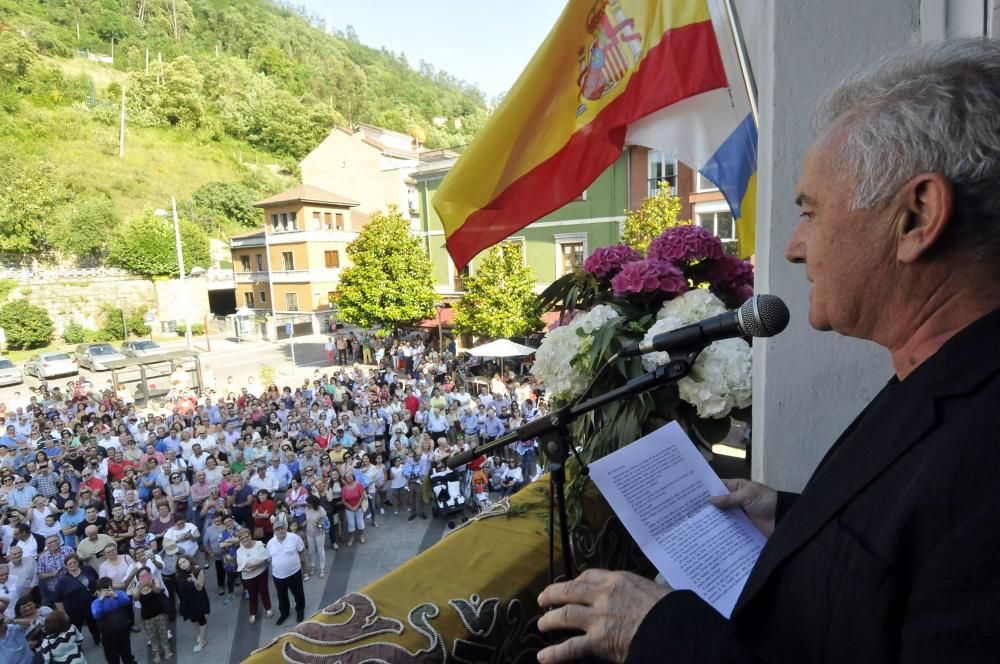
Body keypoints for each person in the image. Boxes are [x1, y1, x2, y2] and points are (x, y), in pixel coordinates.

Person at [535, 39, 1000, 664]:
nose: (793, 247)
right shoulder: (937, 371)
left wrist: (658, 632)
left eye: (811, 212)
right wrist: (791, 516)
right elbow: (906, 547)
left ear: (917, 217)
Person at [265, 515, 306, 626]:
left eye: (282, 528)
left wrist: (303, 567)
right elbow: (268, 558)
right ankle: (284, 613)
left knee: (298, 593)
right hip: (278, 576)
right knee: (281, 596)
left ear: (285, 528)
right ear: (274, 531)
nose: (280, 531)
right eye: (277, 529)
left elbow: (302, 550)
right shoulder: (270, 543)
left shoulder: (294, 538)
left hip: (294, 573)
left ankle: (300, 610)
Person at [52, 554, 100, 647]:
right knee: (76, 629)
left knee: (94, 624)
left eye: (74, 562)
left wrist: (98, 590)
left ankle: (98, 640)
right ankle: (77, 647)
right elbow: (57, 600)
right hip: (74, 611)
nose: (73, 565)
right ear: (66, 566)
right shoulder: (63, 581)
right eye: (70, 564)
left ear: (78, 562)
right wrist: (64, 614)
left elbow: (97, 580)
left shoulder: (88, 569)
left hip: (91, 605)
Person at [128, 570, 171, 663]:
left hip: (159, 613)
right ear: (138, 578)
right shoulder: (137, 587)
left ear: (149, 574)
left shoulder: (155, 580)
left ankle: (167, 650)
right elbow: (135, 598)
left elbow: (158, 590)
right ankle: (156, 653)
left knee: (163, 633)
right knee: (152, 636)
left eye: (146, 574)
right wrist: (140, 587)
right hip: (147, 617)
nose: (144, 577)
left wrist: (151, 585)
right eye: (141, 576)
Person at [90, 577, 136, 664]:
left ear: (112, 587)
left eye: (108, 588)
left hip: (123, 631)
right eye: (103, 590)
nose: (106, 592)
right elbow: (96, 615)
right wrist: (101, 599)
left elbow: (127, 602)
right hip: (108, 635)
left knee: (127, 654)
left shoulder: (119, 594)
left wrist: (115, 596)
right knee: (112, 658)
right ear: (98, 591)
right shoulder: (96, 602)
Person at [236, 528, 272, 625]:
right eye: (242, 538)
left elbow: (264, 559)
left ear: (250, 536)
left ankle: (268, 608)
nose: (245, 539)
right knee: (252, 595)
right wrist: (256, 563)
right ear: (240, 540)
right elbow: (243, 565)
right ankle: (253, 613)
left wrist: (252, 564)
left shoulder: (259, 544)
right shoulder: (239, 551)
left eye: (246, 537)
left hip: (262, 572)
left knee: (264, 591)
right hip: (248, 576)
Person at [174, 554, 209, 653]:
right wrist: (180, 600)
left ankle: (202, 641)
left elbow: (200, 588)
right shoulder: (179, 574)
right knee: (193, 619)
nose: (182, 565)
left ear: (189, 560)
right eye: (180, 564)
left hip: (198, 599)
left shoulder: (198, 570)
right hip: (187, 600)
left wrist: (194, 580)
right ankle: (199, 635)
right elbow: (178, 589)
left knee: (201, 619)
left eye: (184, 561)